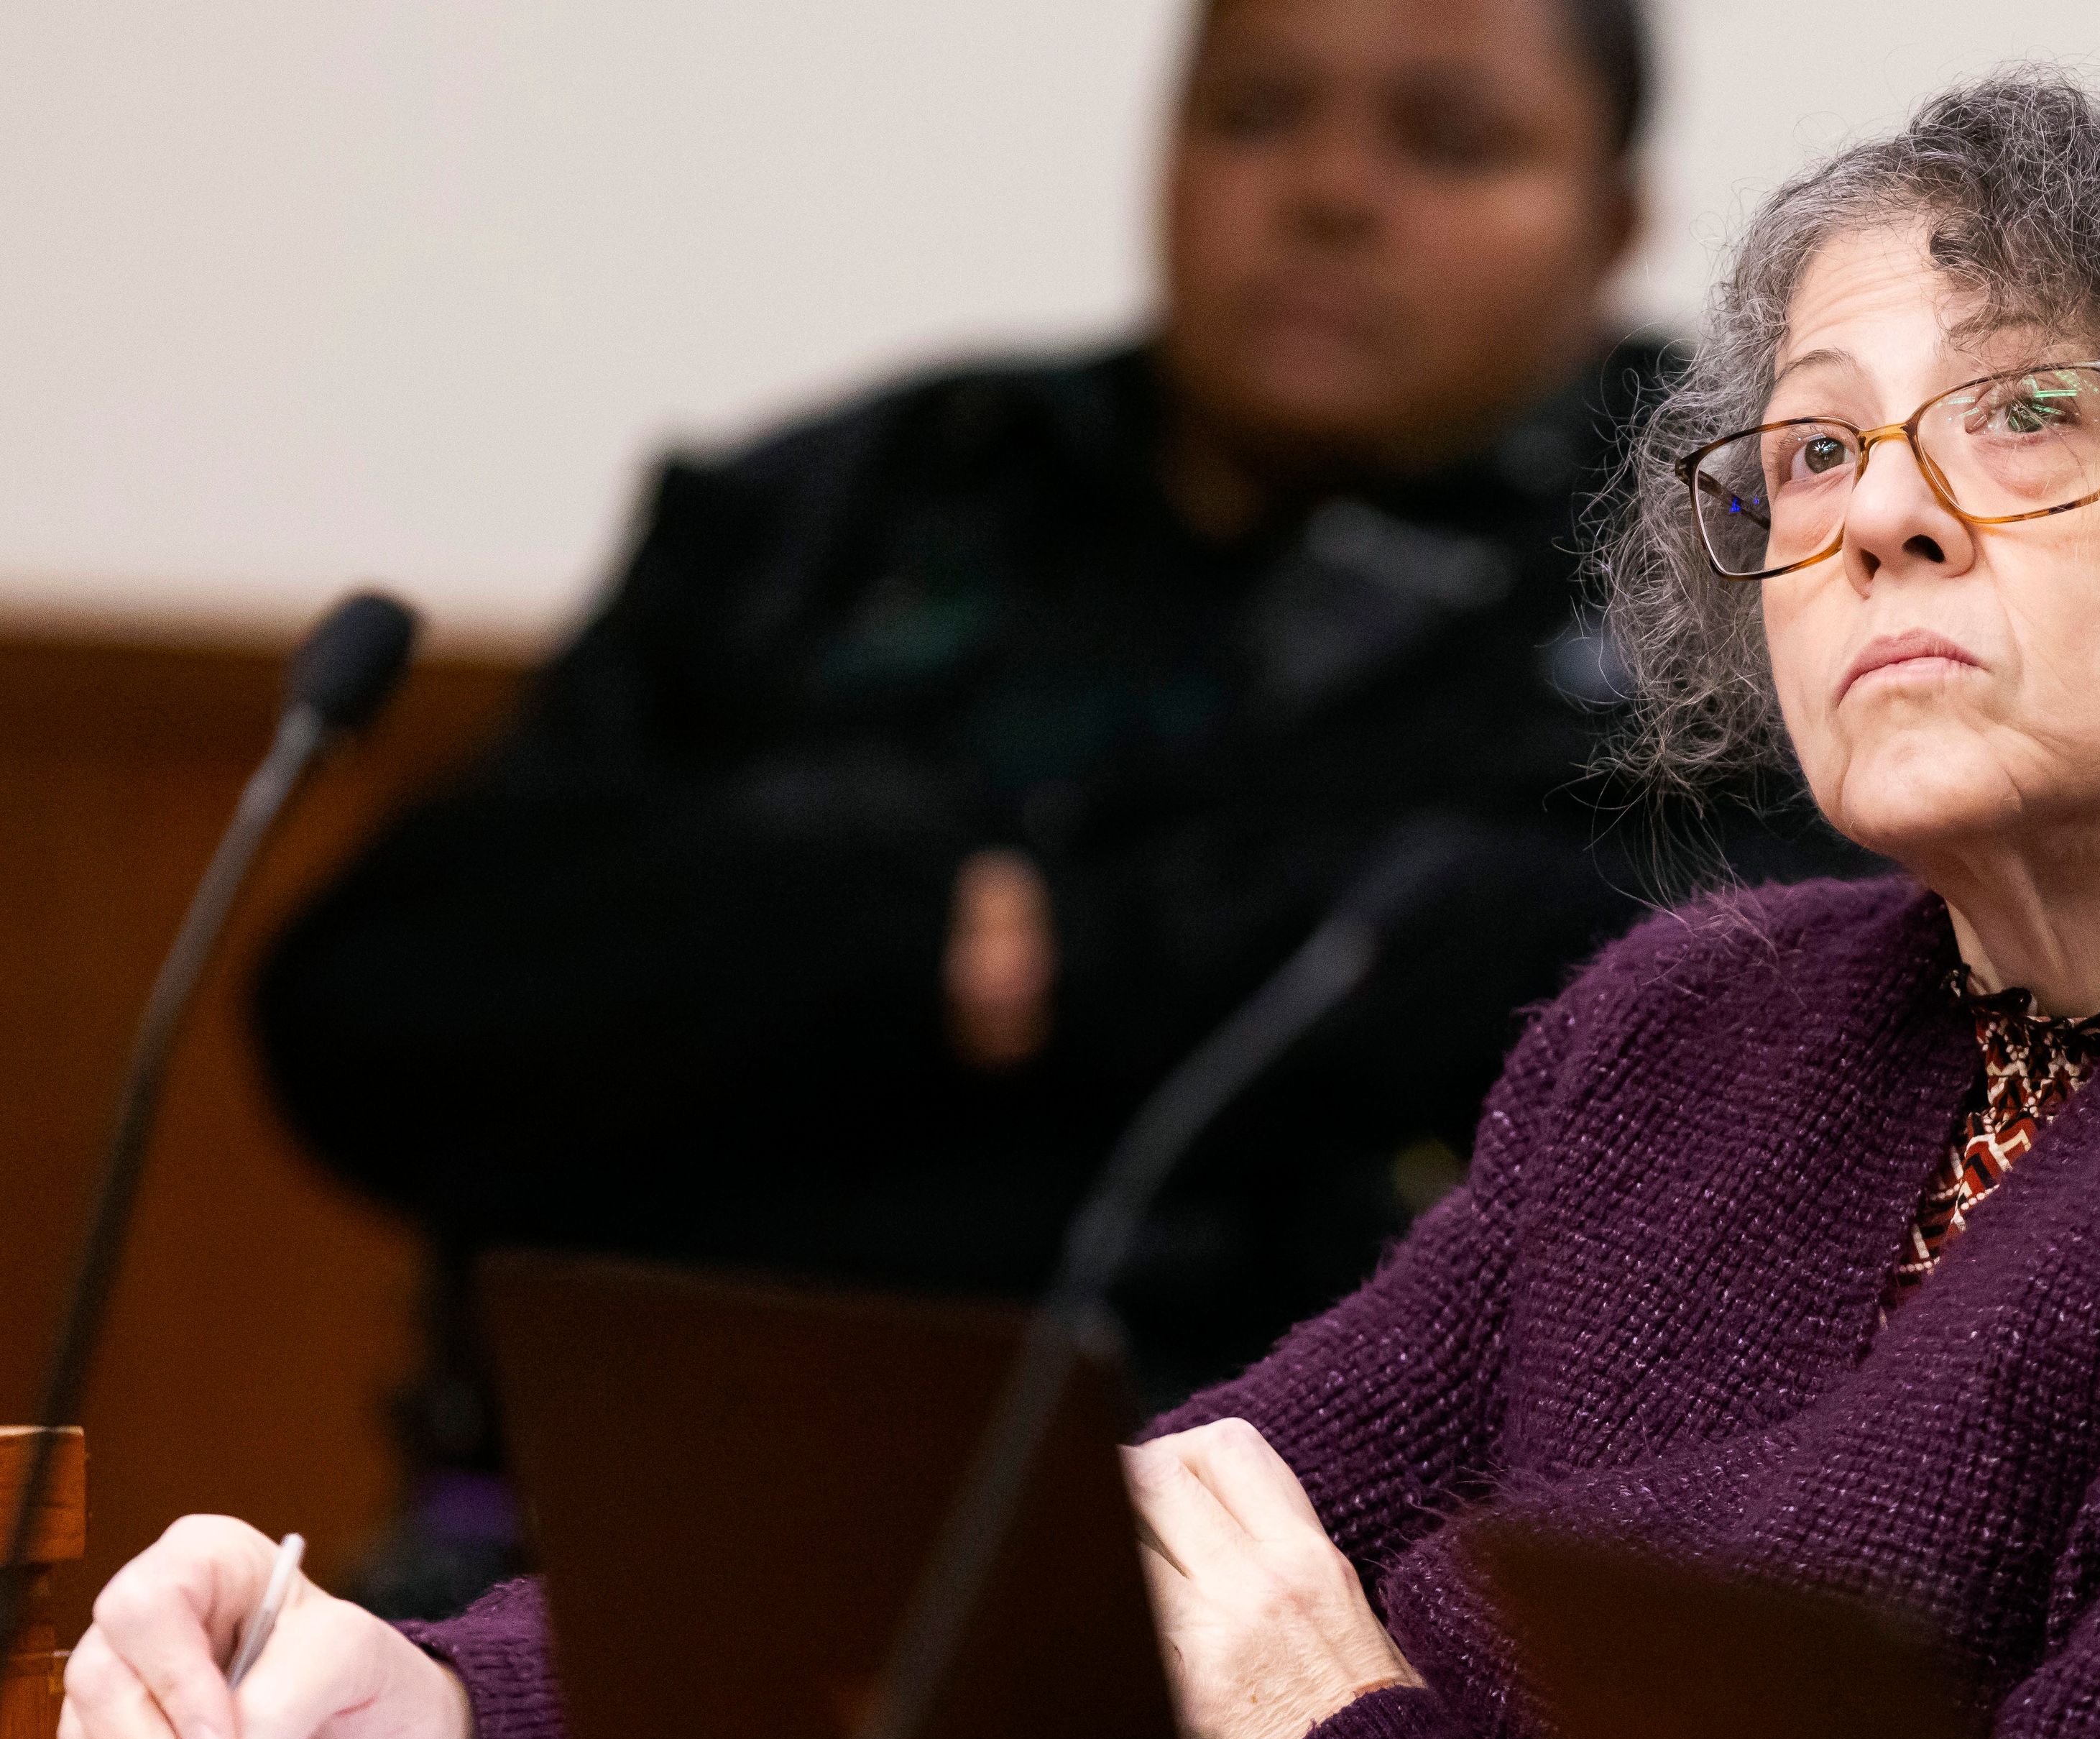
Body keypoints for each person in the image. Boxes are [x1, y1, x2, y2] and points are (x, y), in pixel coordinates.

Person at [55, 71, 2100, 1739]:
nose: (1884, 518)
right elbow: (1168, 1551)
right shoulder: (1691, 1026)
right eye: (1810, 454)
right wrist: (441, 1707)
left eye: (2029, 421)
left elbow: (1267, 1683)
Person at [252, 0, 1839, 1442]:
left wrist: (1050, 959)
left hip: (1363, 1566)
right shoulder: (861, 506)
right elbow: (387, 1000)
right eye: (1256, 114)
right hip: (674, 1494)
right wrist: (917, 936)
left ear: (1614, 219)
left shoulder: (1748, 556)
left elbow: (1760, 997)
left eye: (1449, 140)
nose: (1333, 193)